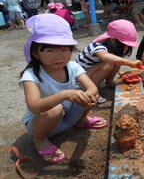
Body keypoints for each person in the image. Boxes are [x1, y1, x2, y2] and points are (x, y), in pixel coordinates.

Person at [19, 14, 106, 164]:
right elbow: (34, 107)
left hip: (68, 118)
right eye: (50, 51)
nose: (59, 56)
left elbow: (91, 87)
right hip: (42, 124)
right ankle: (40, 141)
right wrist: (65, 94)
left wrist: (89, 97)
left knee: (83, 95)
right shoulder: (31, 75)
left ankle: (82, 119)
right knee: (56, 108)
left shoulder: (72, 67)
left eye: (65, 49)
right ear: (35, 53)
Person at [76, 19, 143, 102]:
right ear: (112, 40)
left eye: (128, 46)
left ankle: (109, 82)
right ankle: (92, 91)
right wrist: (130, 63)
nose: (126, 48)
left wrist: (120, 72)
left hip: (90, 72)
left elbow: (116, 60)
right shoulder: (97, 46)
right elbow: (105, 57)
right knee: (108, 64)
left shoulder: (112, 47)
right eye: (125, 45)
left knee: (117, 59)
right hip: (82, 77)